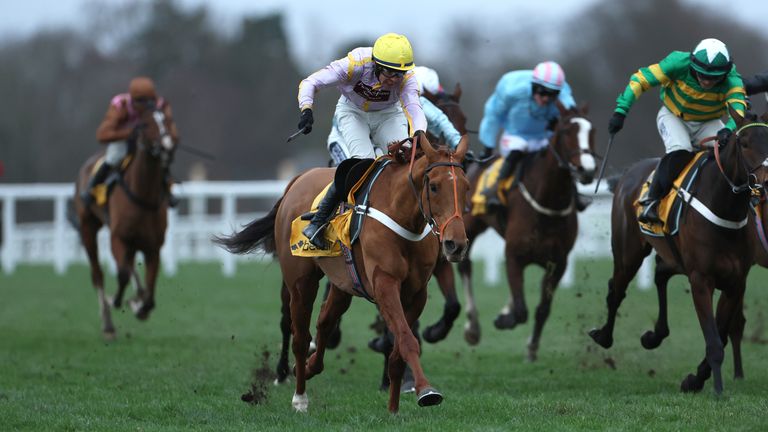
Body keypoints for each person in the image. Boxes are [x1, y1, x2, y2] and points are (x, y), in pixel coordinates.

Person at [297, 33, 427, 249]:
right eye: (390, 72)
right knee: (365, 164)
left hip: (388, 115)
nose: (394, 79)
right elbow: (311, 82)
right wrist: (306, 109)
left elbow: (414, 108)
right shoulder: (355, 63)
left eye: (399, 74)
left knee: (406, 158)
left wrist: (419, 133)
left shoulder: (409, 78)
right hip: (352, 112)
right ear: (375, 64)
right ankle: (319, 221)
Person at [608, 38, 747, 224]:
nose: (706, 81)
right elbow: (641, 79)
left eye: (714, 78)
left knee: (733, 151)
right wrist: (621, 110)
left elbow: (738, 108)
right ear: (692, 64)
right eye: (701, 74)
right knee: (681, 150)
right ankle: (651, 200)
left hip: (708, 121)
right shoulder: (676, 63)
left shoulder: (733, 78)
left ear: (726, 72)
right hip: (674, 117)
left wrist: (728, 130)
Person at [477, 61, 587, 210]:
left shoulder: (564, 96)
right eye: (542, 92)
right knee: (519, 148)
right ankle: (495, 190)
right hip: (514, 136)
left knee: (558, 156)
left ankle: (575, 194)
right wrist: (488, 146)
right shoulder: (511, 91)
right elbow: (492, 115)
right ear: (533, 86)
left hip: (543, 138)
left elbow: (572, 117)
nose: (546, 99)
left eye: (552, 94)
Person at [80, 77, 179, 207]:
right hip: (124, 139)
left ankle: (168, 191)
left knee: (162, 157)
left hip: (148, 141)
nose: (147, 107)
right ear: (133, 100)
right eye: (142, 102)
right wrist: (130, 132)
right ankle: (92, 188)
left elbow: (171, 128)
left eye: (150, 101)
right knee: (114, 156)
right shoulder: (120, 105)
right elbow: (102, 134)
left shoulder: (161, 105)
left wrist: (169, 140)